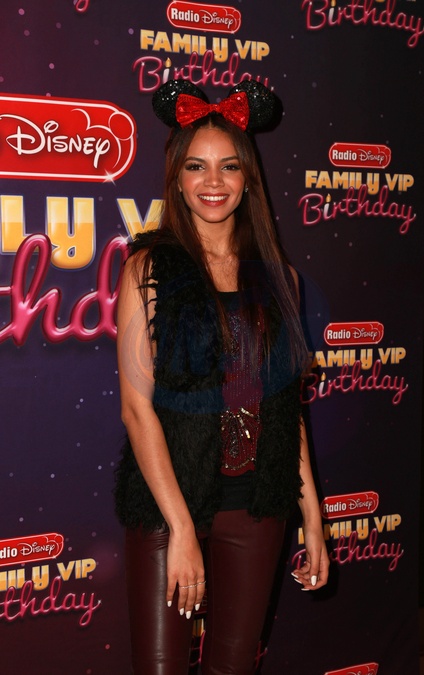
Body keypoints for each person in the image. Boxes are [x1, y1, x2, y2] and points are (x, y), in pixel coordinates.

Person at [114, 79, 329, 675]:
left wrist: (312, 515)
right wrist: (181, 528)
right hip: (168, 505)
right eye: (196, 166)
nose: (213, 181)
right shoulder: (148, 268)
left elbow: (285, 407)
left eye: (229, 166)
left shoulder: (280, 276)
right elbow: (137, 408)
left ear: (247, 178)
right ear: (177, 179)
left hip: (258, 507)